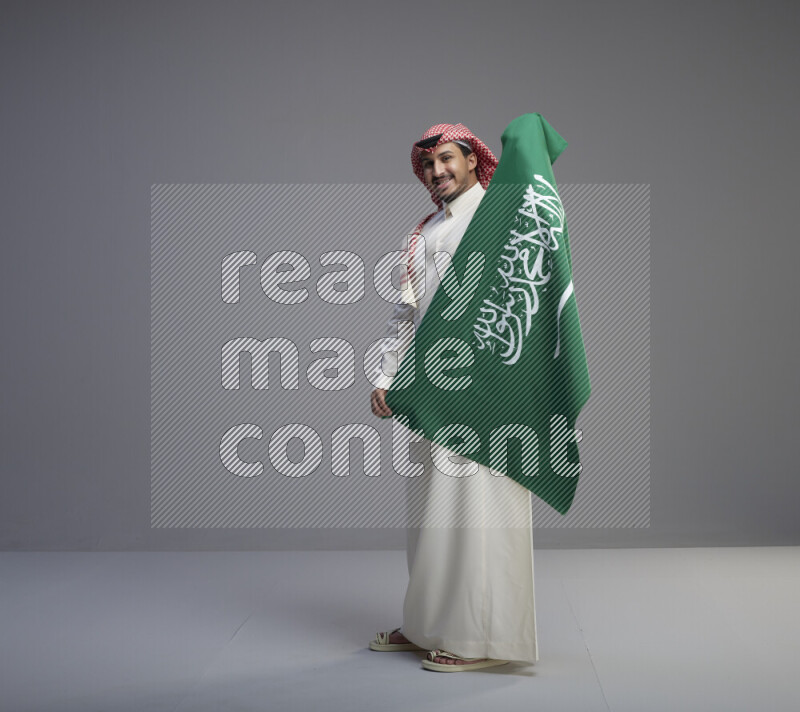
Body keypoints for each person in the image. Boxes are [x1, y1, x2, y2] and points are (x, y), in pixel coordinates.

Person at [368, 123, 538, 672]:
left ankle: (476, 639)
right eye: (428, 165)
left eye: (447, 159)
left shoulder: (499, 217)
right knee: (430, 514)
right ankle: (427, 625)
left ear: (472, 160)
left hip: (486, 390)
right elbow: (407, 314)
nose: (436, 171)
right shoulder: (421, 233)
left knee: (478, 512)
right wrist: (387, 375)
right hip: (428, 391)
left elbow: (522, 295)